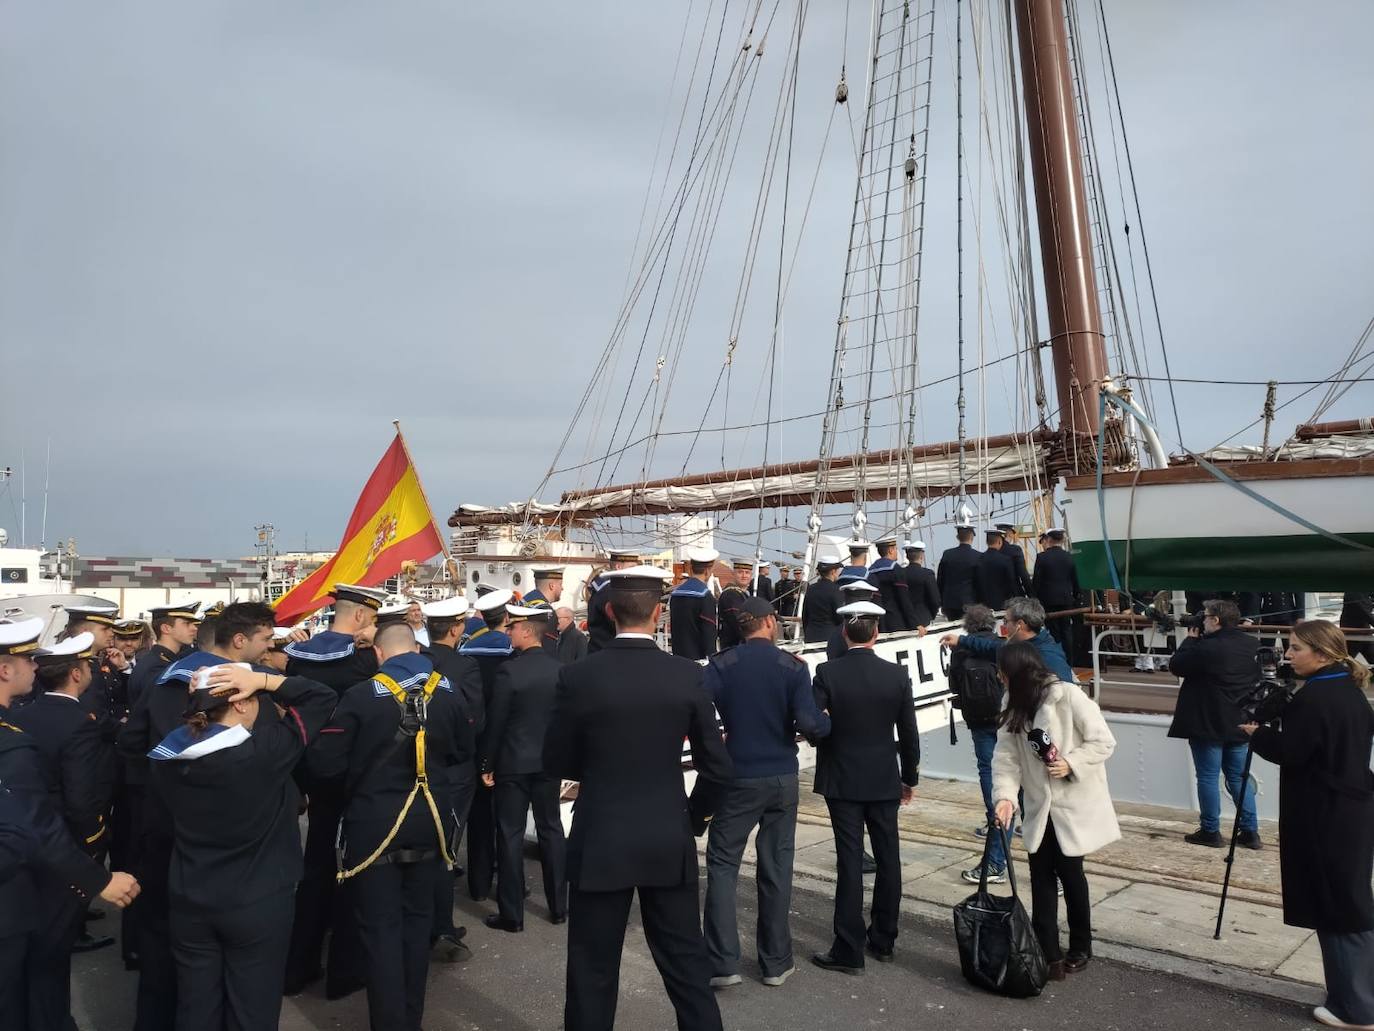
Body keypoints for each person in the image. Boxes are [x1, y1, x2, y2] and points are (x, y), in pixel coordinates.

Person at [543, 565, 732, 1031]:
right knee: (686, 964)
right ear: (659, 613)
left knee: (592, 966)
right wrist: (694, 816)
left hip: (600, 835)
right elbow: (718, 768)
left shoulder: (578, 676)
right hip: (666, 833)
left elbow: (557, 760)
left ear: (609, 611)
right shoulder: (686, 674)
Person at [147, 607, 335, 1031]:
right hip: (256, 899)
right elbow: (322, 698)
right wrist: (266, 678)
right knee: (251, 1006)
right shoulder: (263, 753)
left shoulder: (166, 758)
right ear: (244, 703)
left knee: (196, 1006)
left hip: (191, 894)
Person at [310, 621, 468, 1031]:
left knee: (380, 932)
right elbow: (463, 750)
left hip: (374, 826)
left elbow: (326, 764)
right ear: (416, 648)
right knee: (416, 929)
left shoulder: (360, 696)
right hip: (432, 823)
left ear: (379, 654)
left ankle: (388, 1023)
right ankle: (410, 1020)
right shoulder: (450, 693)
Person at [1, 617, 141, 1031]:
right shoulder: (9, 742)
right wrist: (98, 877)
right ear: (6, 670)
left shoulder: (20, 721)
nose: (34, 666)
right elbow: (31, 826)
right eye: (27, 658)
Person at [1243, 620, 1374, 1031]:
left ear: (1321, 653)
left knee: (1337, 908)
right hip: (1350, 809)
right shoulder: (1351, 693)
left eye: (1295, 648)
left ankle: (1354, 1007)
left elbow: (1294, 752)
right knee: (1348, 901)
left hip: (1323, 814)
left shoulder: (1316, 699)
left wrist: (1257, 734)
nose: (1287, 654)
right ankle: (1355, 996)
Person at [702, 597, 830, 989]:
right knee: (776, 866)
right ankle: (775, 963)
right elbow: (810, 724)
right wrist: (826, 722)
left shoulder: (721, 665)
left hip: (737, 775)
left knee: (723, 864)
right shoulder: (792, 667)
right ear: (771, 623)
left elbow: (696, 707)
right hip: (780, 777)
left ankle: (723, 963)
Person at [281, 582, 385, 998]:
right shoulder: (362, 662)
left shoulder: (297, 656)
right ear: (360, 616)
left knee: (315, 866)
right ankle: (344, 972)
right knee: (353, 871)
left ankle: (298, 965)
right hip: (353, 776)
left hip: (310, 772)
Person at [992, 642, 1119, 980]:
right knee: (1041, 875)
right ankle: (1048, 951)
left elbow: (1104, 741)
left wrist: (1070, 763)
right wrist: (1004, 796)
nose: (999, 677)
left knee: (1072, 875)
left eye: (1002, 672)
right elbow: (1006, 757)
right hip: (1038, 804)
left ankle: (1081, 945)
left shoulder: (1069, 696)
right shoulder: (1011, 702)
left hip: (1072, 802)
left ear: (1015, 674)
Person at [810, 599, 919, 975]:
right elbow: (908, 733)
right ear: (876, 632)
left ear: (844, 632)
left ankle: (848, 948)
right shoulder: (896, 675)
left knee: (850, 862)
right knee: (889, 859)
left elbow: (813, 724)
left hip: (841, 779)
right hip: (884, 777)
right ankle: (885, 938)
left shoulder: (827, 672)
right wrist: (910, 778)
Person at [479, 605, 567, 932]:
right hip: (548, 762)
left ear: (527, 631)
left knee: (510, 834)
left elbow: (496, 723)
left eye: (512, 628)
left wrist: (486, 763)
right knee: (551, 831)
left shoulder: (508, 672)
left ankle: (512, 914)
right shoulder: (560, 670)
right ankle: (559, 907)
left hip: (513, 763)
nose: (508, 632)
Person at [1166, 598, 1262, 848]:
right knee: (1239, 777)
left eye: (1206, 616)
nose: (1203, 620)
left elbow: (1177, 666)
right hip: (1240, 721)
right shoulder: (1252, 644)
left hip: (1207, 722)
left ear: (1215, 620)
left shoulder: (1206, 648)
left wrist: (1190, 639)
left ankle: (1210, 831)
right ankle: (1250, 832)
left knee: (1208, 777)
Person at [946, 606, 1011, 885]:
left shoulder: (961, 650)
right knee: (1016, 789)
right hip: (1007, 719)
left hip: (979, 721)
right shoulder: (1004, 647)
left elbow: (953, 683)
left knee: (990, 776)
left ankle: (995, 859)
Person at [459, 589, 516, 904]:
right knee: (509, 820)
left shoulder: (467, 650)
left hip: (477, 739)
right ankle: (511, 886)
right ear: (507, 618)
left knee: (480, 818)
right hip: (508, 742)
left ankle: (479, 884)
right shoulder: (513, 649)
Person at [939, 596, 1075, 684]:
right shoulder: (1023, 647)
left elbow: (1062, 693)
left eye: (1006, 621)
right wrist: (961, 640)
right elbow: (992, 647)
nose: (1004, 625)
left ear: (1019, 624)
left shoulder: (1047, 657)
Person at [1032, 528, 1082, 660]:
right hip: (1066, 599)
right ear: (1062, 540)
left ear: (1049, 540)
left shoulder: (1042, 557)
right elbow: (1075, 579)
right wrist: (1077, 596)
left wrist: (1034, 599)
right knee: (1066, 631)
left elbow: (1036, 581)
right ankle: (1069, 661)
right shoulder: (1070, 557)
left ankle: (1055, 659)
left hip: (1047, 600)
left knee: (1053, 632)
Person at [669, 548, 719, 660]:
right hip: (698, 661)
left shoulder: (676, 594)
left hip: (678, 658)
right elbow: (708, 633)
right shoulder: (705, 596)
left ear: (691, 568)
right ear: (707, 571)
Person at [586, 550, 640, 653]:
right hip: (607, 653)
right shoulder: (610, 591)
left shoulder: (603, 589)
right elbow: (624, 625)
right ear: (618, 567)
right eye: (632, 567)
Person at [974, 526, 1032, 610]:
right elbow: (1014, 580)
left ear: (986, 542)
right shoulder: (1007, 559)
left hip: (984, 604)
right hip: (1004, 603)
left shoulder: (978, 559)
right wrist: (1027, 596)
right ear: (999, 541)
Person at [869, 538, 915, 633]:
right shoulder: (895, 569)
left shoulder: (870, 571)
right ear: (890, 550)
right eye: (895, 549)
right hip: (896, 620)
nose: (896, 552)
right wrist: (915, 624)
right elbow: (904, 598)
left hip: (878, 622)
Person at [937, 523, 980, 620]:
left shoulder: (947, 554)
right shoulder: (978, 556)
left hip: (950, 604)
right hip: (971, 603)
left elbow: (940, 580)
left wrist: (941, 602)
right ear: (972, 537)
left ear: (957, 536)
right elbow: (980, 583)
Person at [801, 557, 844, 644]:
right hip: (830, 636)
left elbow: (805, 616)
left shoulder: (811, 589)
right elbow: (840, 617)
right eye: (838, 570)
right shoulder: (836, 590)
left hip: (811, 636)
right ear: (833, 571)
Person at [522, 567, 565, 654]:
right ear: (552, 586)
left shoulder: (524, 601)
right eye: (560, 584)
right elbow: (549, 649)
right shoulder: (546, 612)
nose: (562, 588)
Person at [901, 540, 942, 631]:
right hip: (924, 619)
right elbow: (935, 600)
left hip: (904, 621)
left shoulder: (900, 574)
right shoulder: (927, 574)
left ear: (907, 556)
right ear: (922, 555)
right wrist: (931, 614)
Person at [716, 564, 750, 650]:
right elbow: (738, 622)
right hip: (733, 646)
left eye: (747, 573)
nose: (744, 576)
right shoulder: (731, 594)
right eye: (740, 572)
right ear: (733, 574)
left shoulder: (741, 594)